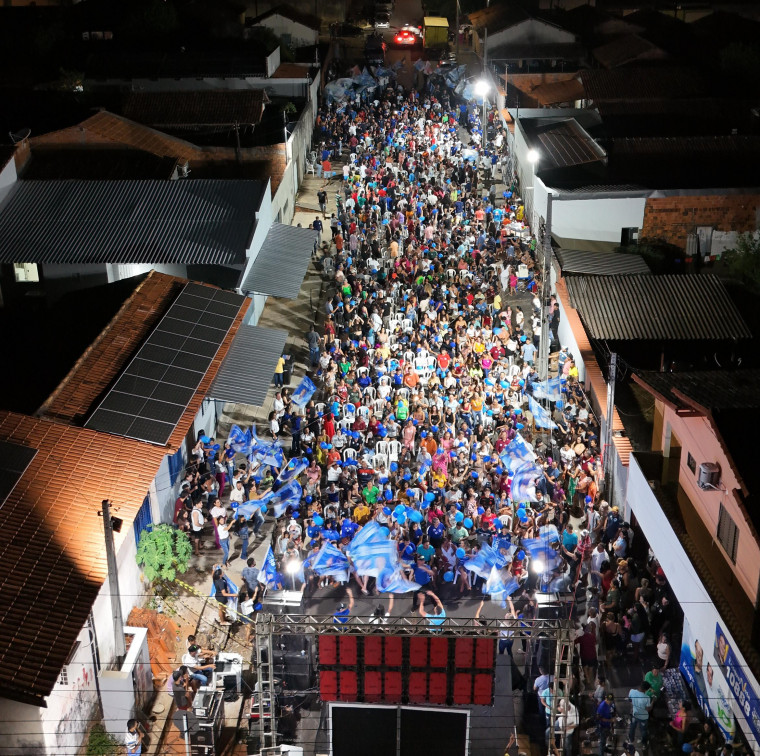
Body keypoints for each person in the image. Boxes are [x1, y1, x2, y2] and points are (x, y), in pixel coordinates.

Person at [628, 681, 652, 747]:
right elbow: (648, 709)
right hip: (643, 717)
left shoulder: (632, 691)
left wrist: (633, 706)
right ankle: (644, 744)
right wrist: (653, 701)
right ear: (646, 690)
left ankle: (631, 740)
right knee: (643, 730)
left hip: (634, 714)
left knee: (632, 727)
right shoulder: (647, 698)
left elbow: (630, 700)